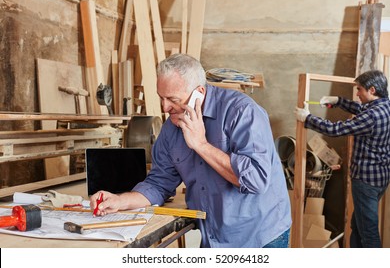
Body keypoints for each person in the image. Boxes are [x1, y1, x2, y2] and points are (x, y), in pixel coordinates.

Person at [91, 53, 291, 248]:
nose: (165, 107)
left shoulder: (242, 112)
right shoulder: (171, 129)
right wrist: (119, 201)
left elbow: (256, 180)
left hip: (260, 235)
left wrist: (201, 145)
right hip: (214, 235)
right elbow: (159, 184)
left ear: (199, 93)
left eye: (172, 99)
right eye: (161, 98)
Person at [294, 70, 390, 248]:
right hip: (380, 178)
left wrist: (308, 118)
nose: (357, 94)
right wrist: (338, 101)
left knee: (368, 233)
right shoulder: (384, 107)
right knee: (358, 226)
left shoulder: (372, 116)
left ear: (373, 90)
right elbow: (361, 108)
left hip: (366, 181)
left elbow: (335, 130)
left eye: (359, 90)